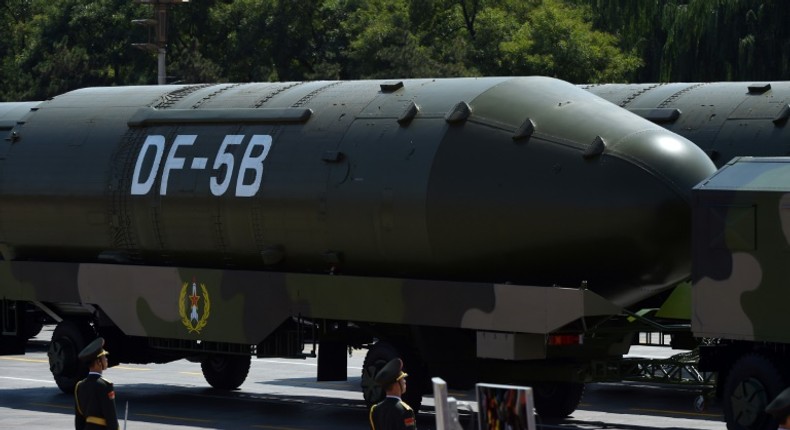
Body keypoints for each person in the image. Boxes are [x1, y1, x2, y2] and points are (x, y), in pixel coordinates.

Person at [74, 337, 119, 430]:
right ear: (98, 362)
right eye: (104, 357)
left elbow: (79, 420)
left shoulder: (80, 386)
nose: (106, 360)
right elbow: (111, 418)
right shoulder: (105, 386)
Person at [369, 358, 416, 430]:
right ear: (396, 384)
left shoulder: (375, 410)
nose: (404, 381)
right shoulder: (405, 411)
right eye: (402, 379)